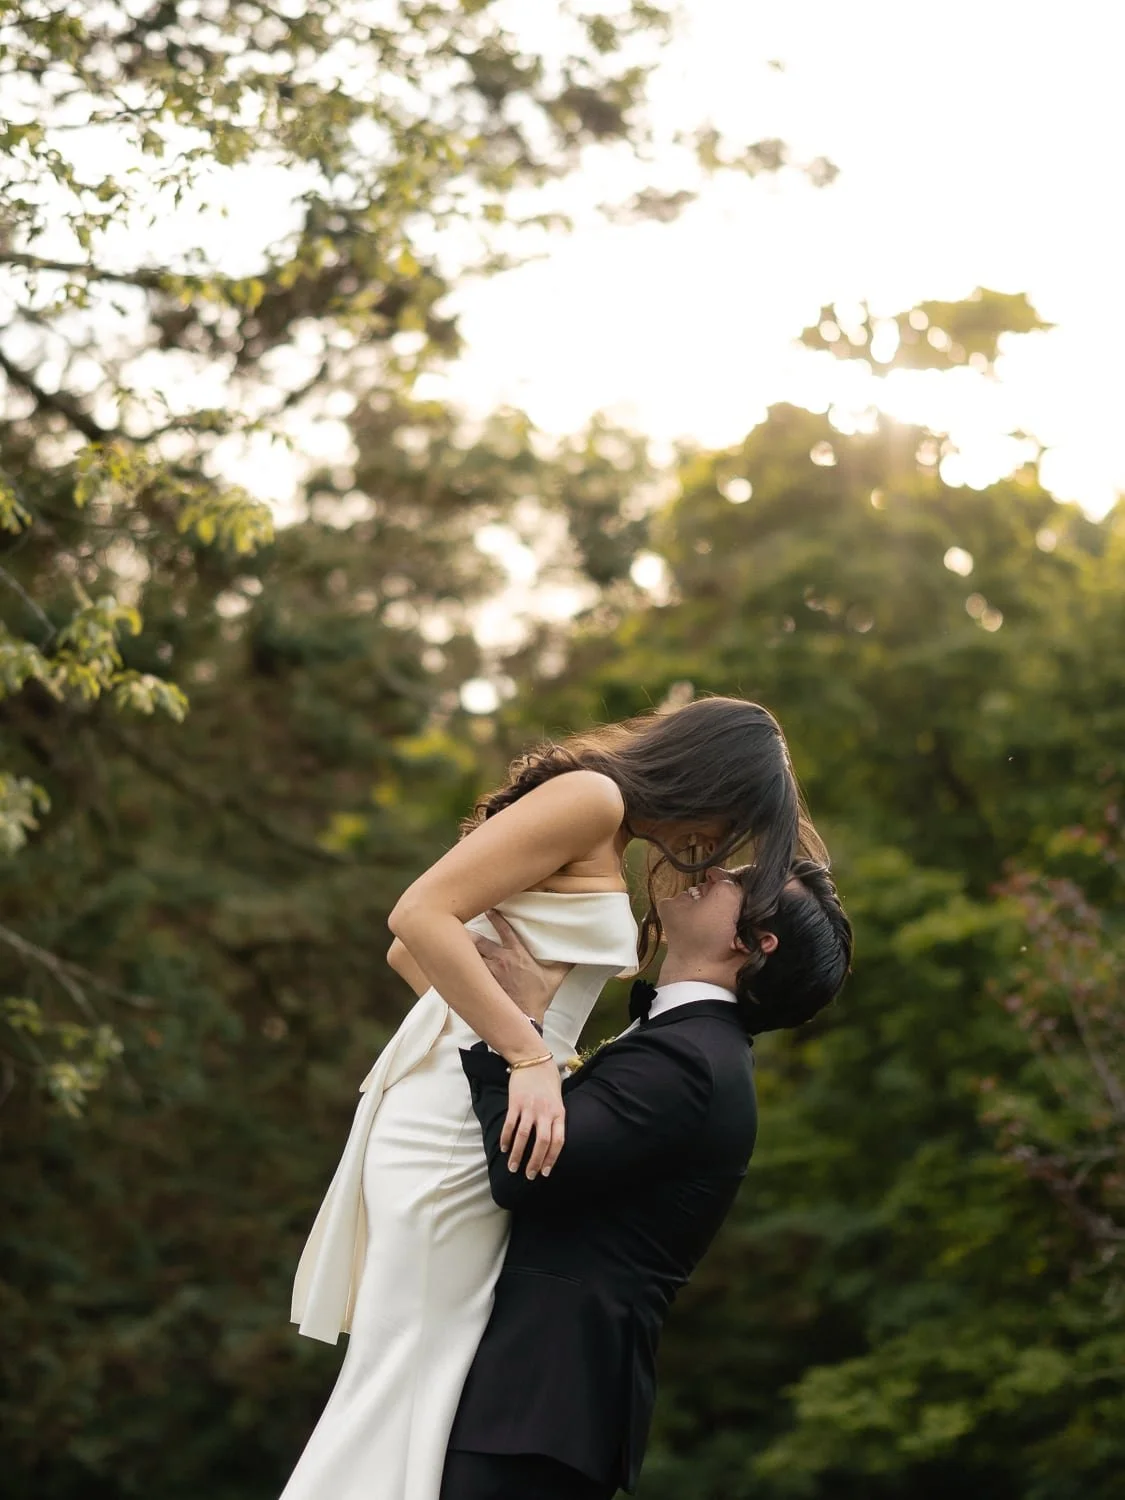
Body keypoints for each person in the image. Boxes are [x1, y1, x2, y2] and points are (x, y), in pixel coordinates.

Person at [281, 695, 811, 1500]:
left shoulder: (610, 827)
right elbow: (415, 919)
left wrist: (509, 1047)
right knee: (412, 1366)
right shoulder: (593, 799)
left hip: (479, 1098)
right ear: (701, 773)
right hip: (458, 1122)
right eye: (726, 818)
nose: (713, 848)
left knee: (423, 1371)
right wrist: (525, 1051)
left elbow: (412, 963)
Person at [441, 858, 853, 1500]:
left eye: (738, 881)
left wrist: (520, 1026)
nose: (712, 870)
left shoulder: (692, 1062)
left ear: (752, 940)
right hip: (531, 1399)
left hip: (537, 1400)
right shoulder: (691, 1045)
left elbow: (527, 1170)